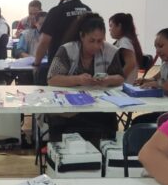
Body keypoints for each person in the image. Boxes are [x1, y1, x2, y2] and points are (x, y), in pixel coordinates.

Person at [46, 13, 125, 145]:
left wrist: (108, 79)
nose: (96, 46)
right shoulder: (67, 50)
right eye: (92, 41)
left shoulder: (110, 51)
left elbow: (120, 77)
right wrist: (77, 79)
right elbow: (52, 79)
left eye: (100, 41)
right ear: (82, 36)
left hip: (99, 108)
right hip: (69, 108)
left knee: (107, 122)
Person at [34, 0, 92, 85]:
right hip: (84, 70)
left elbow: (44, 41)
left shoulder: (56, 11)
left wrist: (36, 64)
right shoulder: (88, 11)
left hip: (59, 69)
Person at [108, 12, 144, 82]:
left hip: (125, 84)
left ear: (119, 26)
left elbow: (131, 63)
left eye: (111, 26)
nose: (109, 29)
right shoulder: (126, 40)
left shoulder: (124, 41)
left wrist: (119, 80)